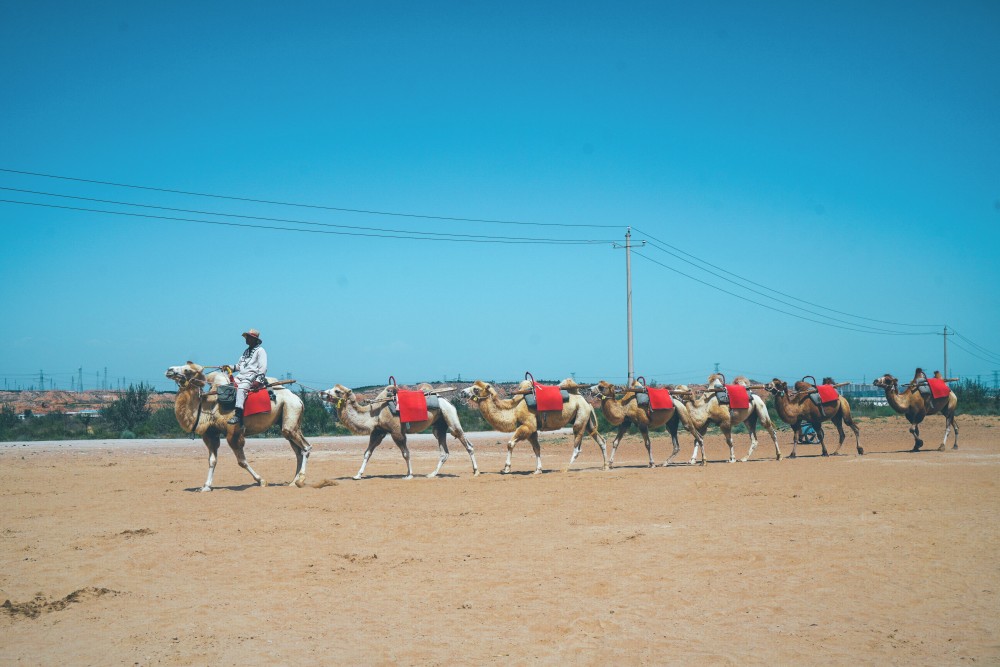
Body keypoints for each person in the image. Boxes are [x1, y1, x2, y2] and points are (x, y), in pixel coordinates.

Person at [226, 328, 268, 426]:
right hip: (240, 375)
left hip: (251, 377)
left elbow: (263, 368)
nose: (246, 339)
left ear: (254, 339)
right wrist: (228, 367)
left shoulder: (260, 351)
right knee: (227, 386)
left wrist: (258, 381)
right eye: (247, 337)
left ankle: (238, 415)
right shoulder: (245, 352)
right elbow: (239, 366)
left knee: (241, 389)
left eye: (249, 337)